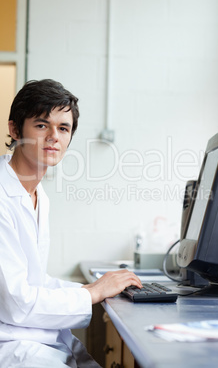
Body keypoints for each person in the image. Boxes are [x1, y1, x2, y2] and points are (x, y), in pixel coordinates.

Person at [0, 79, 142, 368]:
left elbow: (34, 281)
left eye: (63, 128)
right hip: (11, 344)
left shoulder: (38, 194)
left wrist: (97, 287)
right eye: (41, 125)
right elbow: (16, 303)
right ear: (15, 129)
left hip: (34, 337)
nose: (54, 136)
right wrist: (93, 292)